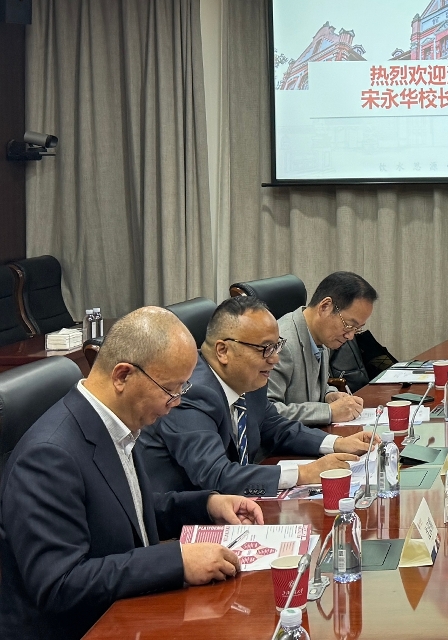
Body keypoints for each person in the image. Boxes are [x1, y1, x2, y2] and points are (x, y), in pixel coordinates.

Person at [0, 307, 264, 640]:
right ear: (123, 376)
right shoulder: (48, 456)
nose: (176, 403)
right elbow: (60, 584)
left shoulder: (116, 422)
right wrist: (177, 562)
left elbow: (128, 511)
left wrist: (208, 505)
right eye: (170, 390)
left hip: (128, 611)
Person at [138, 296, 375, 498]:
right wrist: (304, 473)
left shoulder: (248, 379)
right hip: (184, 522)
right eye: (265, 349)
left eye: (277, 346)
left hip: (237, 505)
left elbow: (276, 427)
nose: (275, 359)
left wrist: (337, 443)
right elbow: (216, 475)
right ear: (223, 351)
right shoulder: (190, 393)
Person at [270, 271, 377, 426]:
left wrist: (330, 395)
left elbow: (312, 387)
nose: (350, 336)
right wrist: (328, 412)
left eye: (357, 329)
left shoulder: (321, 336)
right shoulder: (280, 344)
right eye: (349, 325)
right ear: (325, 306)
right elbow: (268, 412)